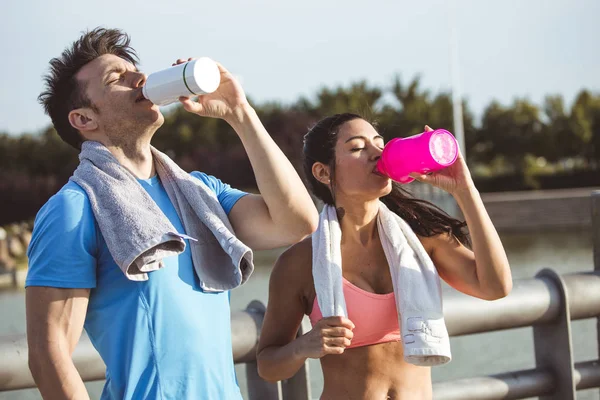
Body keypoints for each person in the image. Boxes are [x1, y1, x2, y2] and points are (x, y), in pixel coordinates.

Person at [25, 27, 318, 400]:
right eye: (117, 78)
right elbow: (49, 356)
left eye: (135, 69)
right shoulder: (74, 208)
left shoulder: (201, 193)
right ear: (84, 119)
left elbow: (296, 223)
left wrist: (239, 114)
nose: (140, 78)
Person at [256, 113, 512, 399]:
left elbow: (495, 287)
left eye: (379, 143)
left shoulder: (421, 240)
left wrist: (465, 191)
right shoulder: (301, 262)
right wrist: (303, 346)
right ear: (323, 173)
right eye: (357, 148)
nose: (377, 153)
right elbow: (268, 365)